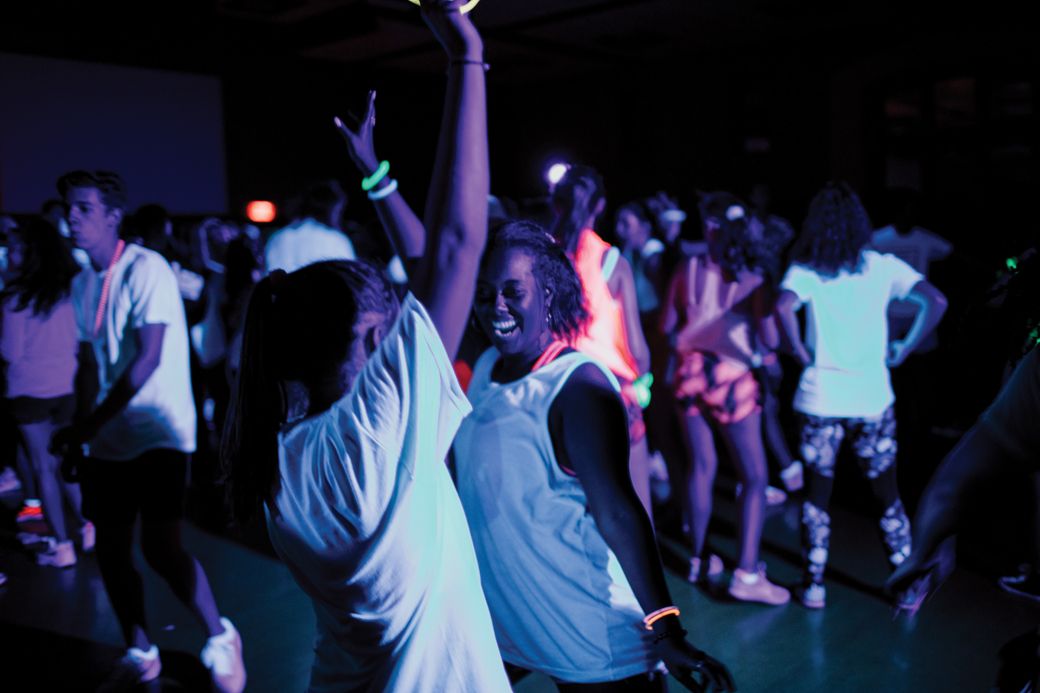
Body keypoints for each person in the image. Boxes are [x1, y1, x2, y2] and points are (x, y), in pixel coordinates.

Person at [222, 3, 510, 690]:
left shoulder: (278, 454)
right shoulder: (377, 428)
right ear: (374, 336)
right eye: (392, 305)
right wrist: (464, 53)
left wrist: (377, 174)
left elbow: (431, 264)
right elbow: (453, 249)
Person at [454, 221, 735, 692]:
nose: (495, 306)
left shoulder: (578, 387)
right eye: (484, 292)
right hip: (516, 629)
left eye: (511, 291)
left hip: (594, 642)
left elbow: (620, 513)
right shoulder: (484, 368)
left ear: (547, 295)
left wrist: (666, 629)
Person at [50, 170, 245, 691]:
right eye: (68, 207)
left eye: (83, 208)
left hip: (159, 433)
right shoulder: (82, 281)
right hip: (108, 436)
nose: (71, 215)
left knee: (161, 548)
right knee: (111, 553)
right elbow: (91, 364)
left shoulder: (147, 268)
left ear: (114, 216)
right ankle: (141, 651)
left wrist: (87, 423)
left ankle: (221, 636)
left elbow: (148, 358)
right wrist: (80, 431)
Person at [775, 181, 947, 609]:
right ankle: (906, 586)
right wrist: (904, 348)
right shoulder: (882, 266)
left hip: (820, 399)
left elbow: (780, 307)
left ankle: (813, 585)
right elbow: (936, 301)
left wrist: (798, 350)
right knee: (886, 495)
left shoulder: (807, 270)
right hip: (872, 399)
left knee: (817, 497)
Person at [661, 203, 790, 605]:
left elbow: (667, 328)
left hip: (690, 372)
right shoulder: (753, 277)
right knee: (754, 478)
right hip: (732, 379)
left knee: (701, 466)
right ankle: (747, 574)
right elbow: (769, 341)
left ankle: (699, 559)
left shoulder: (690, 267)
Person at [551, 166, 656, 518]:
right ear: (599, 206)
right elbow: (637, 347)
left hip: (556, 386)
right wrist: (644, 380)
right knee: (634, 508)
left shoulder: (543, 258)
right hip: (611, 389)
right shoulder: (611, 261)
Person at [1, 219, 91, 566]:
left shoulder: (15, 300)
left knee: (42, 468)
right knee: (65, 463)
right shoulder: (70, 290)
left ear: (31, 253)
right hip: (65, 388)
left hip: (28, 391)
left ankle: (62, 546)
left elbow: (10, 352)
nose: (10, 253)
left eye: (17, 247)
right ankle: (88, 525)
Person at [264, 179, 356, 274]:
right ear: (332, 209)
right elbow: (349, 280)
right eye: (339, 211)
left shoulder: (278, 237)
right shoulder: (336, 240)